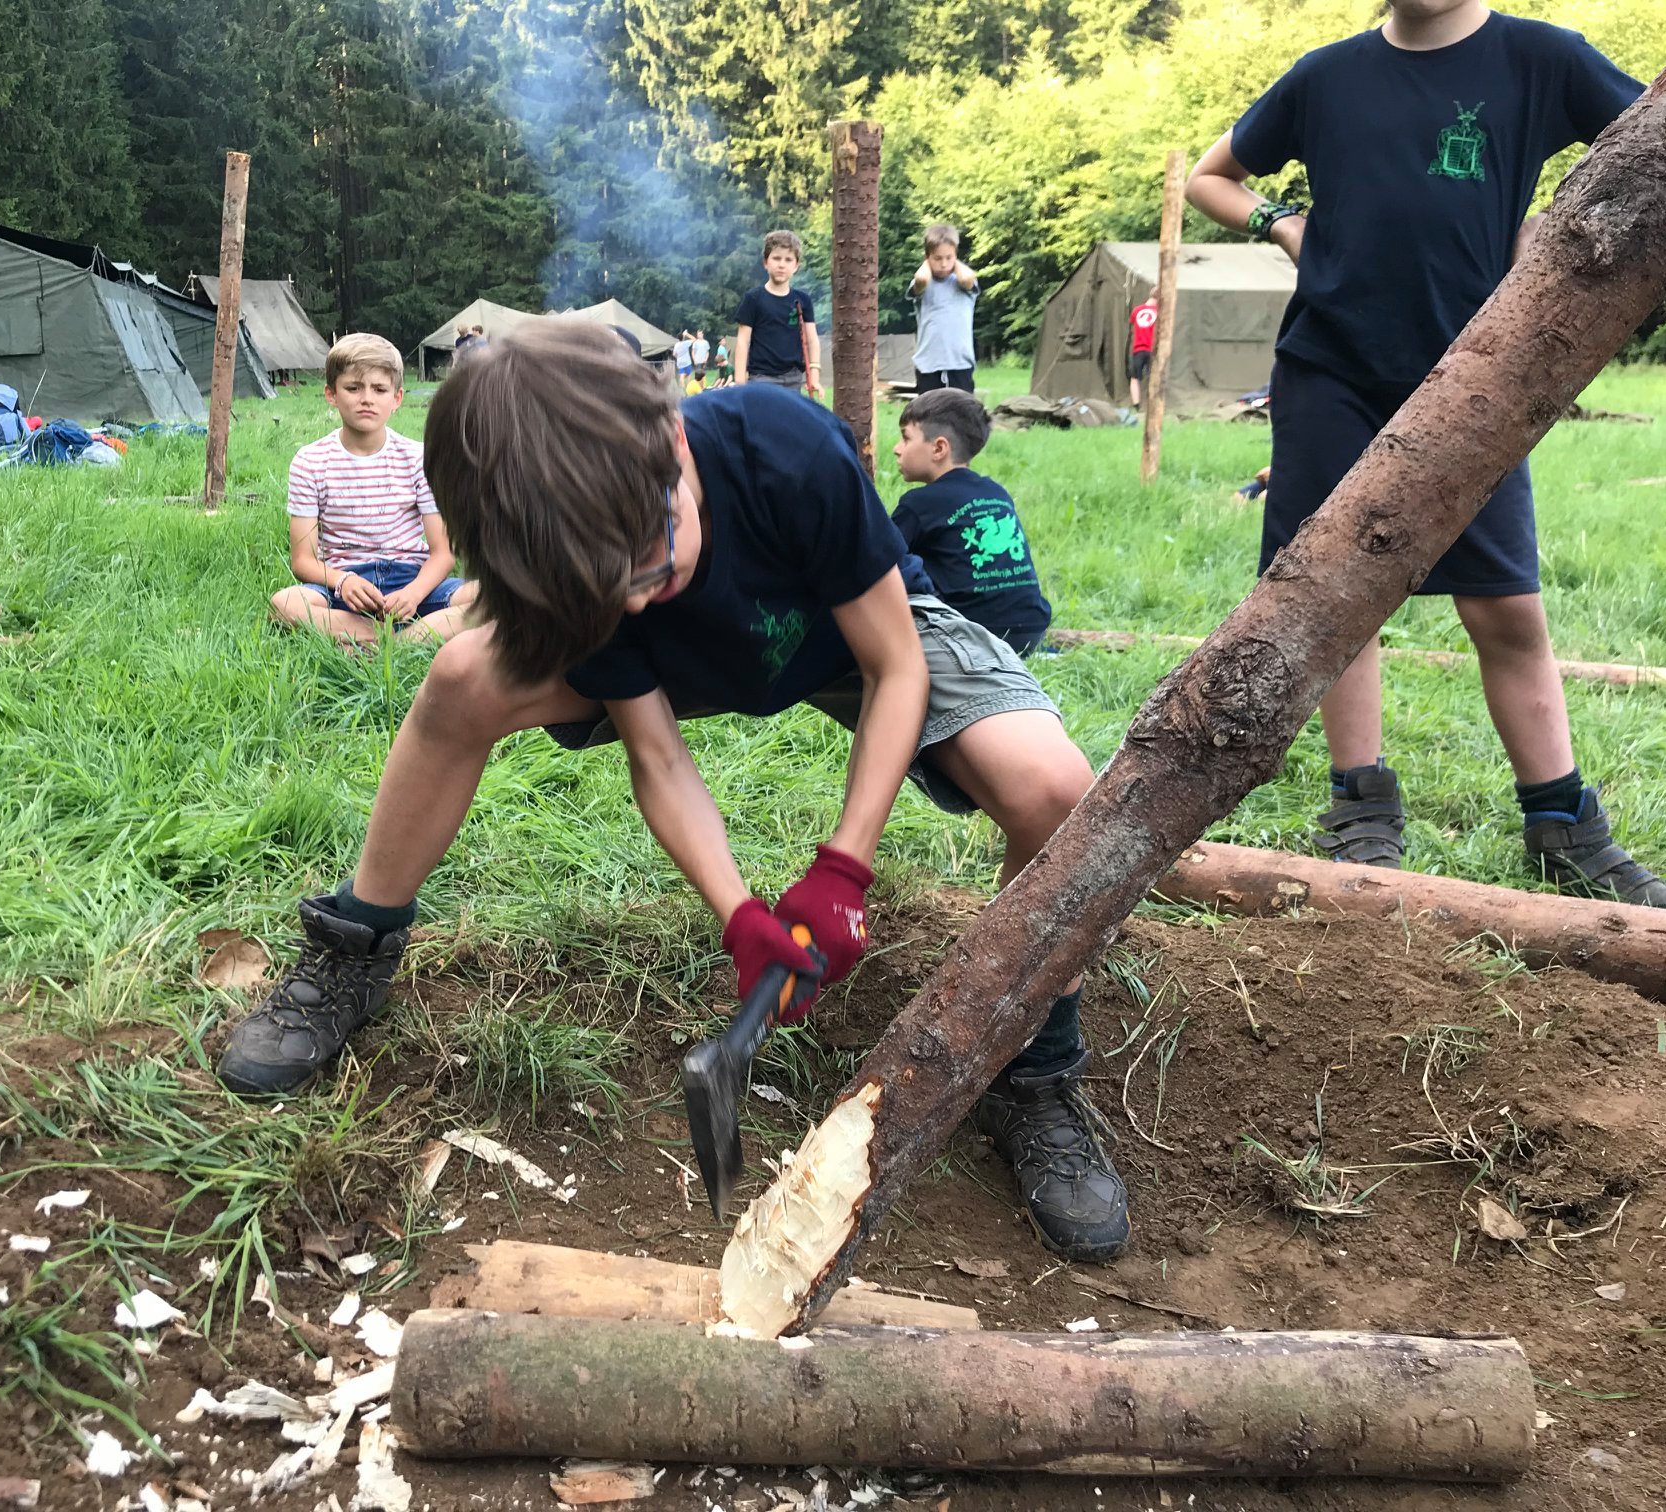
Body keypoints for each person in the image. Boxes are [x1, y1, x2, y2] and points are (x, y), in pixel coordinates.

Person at [217, 322, 1128, 1264]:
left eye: (654, 555)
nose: (644, 592)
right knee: (461, 681)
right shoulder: (594, 570)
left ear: (675, 441)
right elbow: (657, 757)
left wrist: (844, 867)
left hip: (846, 629)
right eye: (614, 587)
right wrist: (739, 914)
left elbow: (896, 667)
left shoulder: (783, 446)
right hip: (686, 664)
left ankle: (1033, 1062)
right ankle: (353, 951)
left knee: (1054, 786)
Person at [1186, 0, 1666, 908]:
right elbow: (1210, 177)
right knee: (1337, 600)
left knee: (1505, 610)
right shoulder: (1323, 75)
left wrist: (1555, 232)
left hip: (1478, 373)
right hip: (1329, 370)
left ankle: (1562, 822)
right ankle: (1362, 806)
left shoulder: (1540, 58)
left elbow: (1651, 147)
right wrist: (1282, 225)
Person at [269, 333, 476, 646]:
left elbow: (443, 554)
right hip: (343, 589)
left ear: (396, 398)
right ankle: (387, 636)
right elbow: (303, 560)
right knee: (284, 604)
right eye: (353, 388)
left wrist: (414, 593)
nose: (366, 398)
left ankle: (401, 640)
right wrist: (343, 581)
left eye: (379, 389)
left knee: (494, 598)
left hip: (412, 580)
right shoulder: (310, 461)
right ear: (331, 394)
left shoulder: (418, 457)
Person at [891, 389, 1051, 655]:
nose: (897, 449)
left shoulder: (919, 504)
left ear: (939, 448)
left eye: (905, 438)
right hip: (1031, 630)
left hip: (972, 635)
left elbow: (879, 562)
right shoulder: (996, 492)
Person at [734, 230, 821, 395]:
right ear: (765, 262)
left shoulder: (803, 301)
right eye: (776, 258)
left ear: (796, 266)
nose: (782, 264)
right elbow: (743, 341)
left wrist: (814, 376)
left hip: (794, 378)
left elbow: (812, 340)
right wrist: (739, 380)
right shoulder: (753, 299)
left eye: (788, 260)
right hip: (761, 379)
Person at [908, 225, 980, 394]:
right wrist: (928, 263)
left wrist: (954, 263)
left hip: (960, 363)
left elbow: (968, 277)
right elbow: (921, 278)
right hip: (928, 365)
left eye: (949, 257)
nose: (944, 264)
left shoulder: (963, 283)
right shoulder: (923, 284)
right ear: (927, 257)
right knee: (928, 416)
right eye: (937, 258)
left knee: (962, 415)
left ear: (956, 256)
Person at [1127, 295, 1158, 408]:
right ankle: (1153, 405)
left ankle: (1137, 405)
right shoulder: (1159, 312)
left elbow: (1132, 322)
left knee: (1134, 379)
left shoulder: (1136, 310)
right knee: (1154, 378)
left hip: (1138, 350)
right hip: (1153, 351)